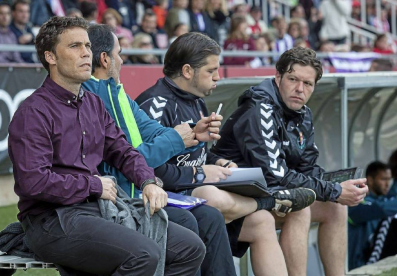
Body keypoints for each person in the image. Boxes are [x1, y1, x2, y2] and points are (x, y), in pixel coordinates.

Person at [8, 16, 205, 276]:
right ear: (51, 57)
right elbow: (33, 182)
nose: (86, 53)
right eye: (75, 46)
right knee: (144, 254)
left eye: (88, 46)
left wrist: (147, 182)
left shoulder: (92, 103)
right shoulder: (33, 112)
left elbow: (123, 151)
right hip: (50, 219)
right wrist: (94, 185)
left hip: (95, 210)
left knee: (191, 247)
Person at [136, 32, 316, 276]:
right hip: (169, 198)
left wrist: (217, 161)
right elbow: (147, 168)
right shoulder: (155, 104)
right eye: (211, 71)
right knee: (213, 195)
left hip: (194, 189)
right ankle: (271, 199)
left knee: (263, 222)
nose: (217, 77)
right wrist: (199, 174)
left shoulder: (196, 100)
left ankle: (268, 202)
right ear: (188, 71)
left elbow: (194, 155)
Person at [82, 23, 236, 276]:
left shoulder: (117, 93)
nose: (122, 60)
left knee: (210, 217)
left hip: (142, 195)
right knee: (192, 223)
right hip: (122, 200)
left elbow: (153, 131)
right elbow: (127, 159)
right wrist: (186, 152)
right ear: (104, 58)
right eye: (119, 53)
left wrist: (191, 133)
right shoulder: (93, 99)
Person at [211, 47, 368, 276]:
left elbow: (308, 167)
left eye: (308, 84)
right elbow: (276, 175)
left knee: (335, 208)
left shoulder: (302, 113)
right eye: (293, 79)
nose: (299, 89)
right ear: (278, 77)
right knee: (300, 206)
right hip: (235, 201)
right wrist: (333, 190)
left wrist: (339, 188)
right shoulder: (259, 108)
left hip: (266, 195)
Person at [348, 161, 396, 270]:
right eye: (383, 179)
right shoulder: (357, 203)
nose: (387, 184)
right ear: (370, 180)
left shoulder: (385, 200)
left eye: (389, 179)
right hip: (359, 265)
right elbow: (380, 209)